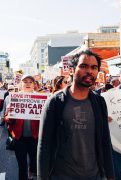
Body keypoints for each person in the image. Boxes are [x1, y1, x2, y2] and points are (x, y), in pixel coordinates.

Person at [37, 49, 115, 180]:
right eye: (83, 66)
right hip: (61, 176)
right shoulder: (55, 102)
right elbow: (44, 145)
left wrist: (111, 176)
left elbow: (105, 140)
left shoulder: (99, 102)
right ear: (72, 70)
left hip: (95, 176)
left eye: (94, 67)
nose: (90, 71)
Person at [4, 75, 39, 180]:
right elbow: (7, 120)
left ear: (34, 85)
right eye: (25, 82)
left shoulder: (41, 98)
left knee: (34, 165)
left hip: (35, 139)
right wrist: (9, 113)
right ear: (21, 84)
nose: (28, 84)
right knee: (22, 166)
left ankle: (31, 172)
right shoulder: (14, 97)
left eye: (30, 82)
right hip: (19, 139)